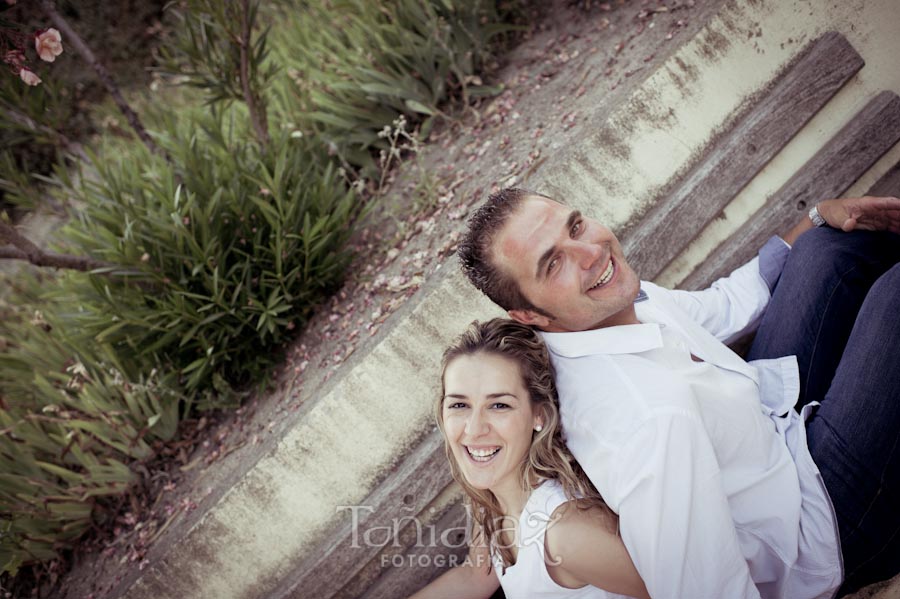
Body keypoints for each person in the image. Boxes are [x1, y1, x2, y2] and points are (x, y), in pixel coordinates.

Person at [457, 188, 900, 599]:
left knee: (825, 248)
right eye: (552, 264)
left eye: (575, 227)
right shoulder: (644, 419)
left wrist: (816, 217)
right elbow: (702, 586)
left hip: (779, 438)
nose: (591, 253)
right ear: (529, 314)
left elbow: (721, 307)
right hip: (821, 535)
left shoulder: (609, 307)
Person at [411, 318, 649, 599]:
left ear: (540, 415)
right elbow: (474, 576)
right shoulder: (493, 502)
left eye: (499, 405)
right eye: (460, 405)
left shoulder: (566, 535)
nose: (474, 429)